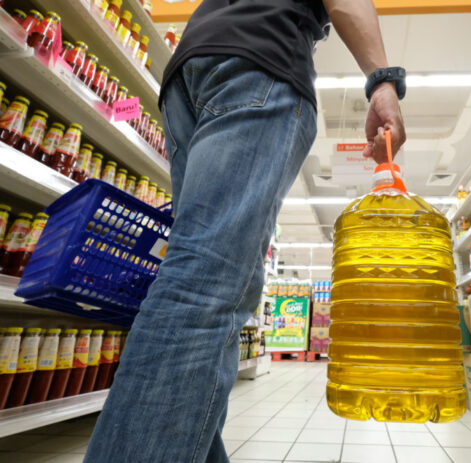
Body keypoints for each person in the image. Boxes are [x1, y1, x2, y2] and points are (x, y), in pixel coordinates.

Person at [85, 0, 406, 461]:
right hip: (258, 63)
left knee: (207, 280)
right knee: (204, 288)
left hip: (188, 74)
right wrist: (383, 81)